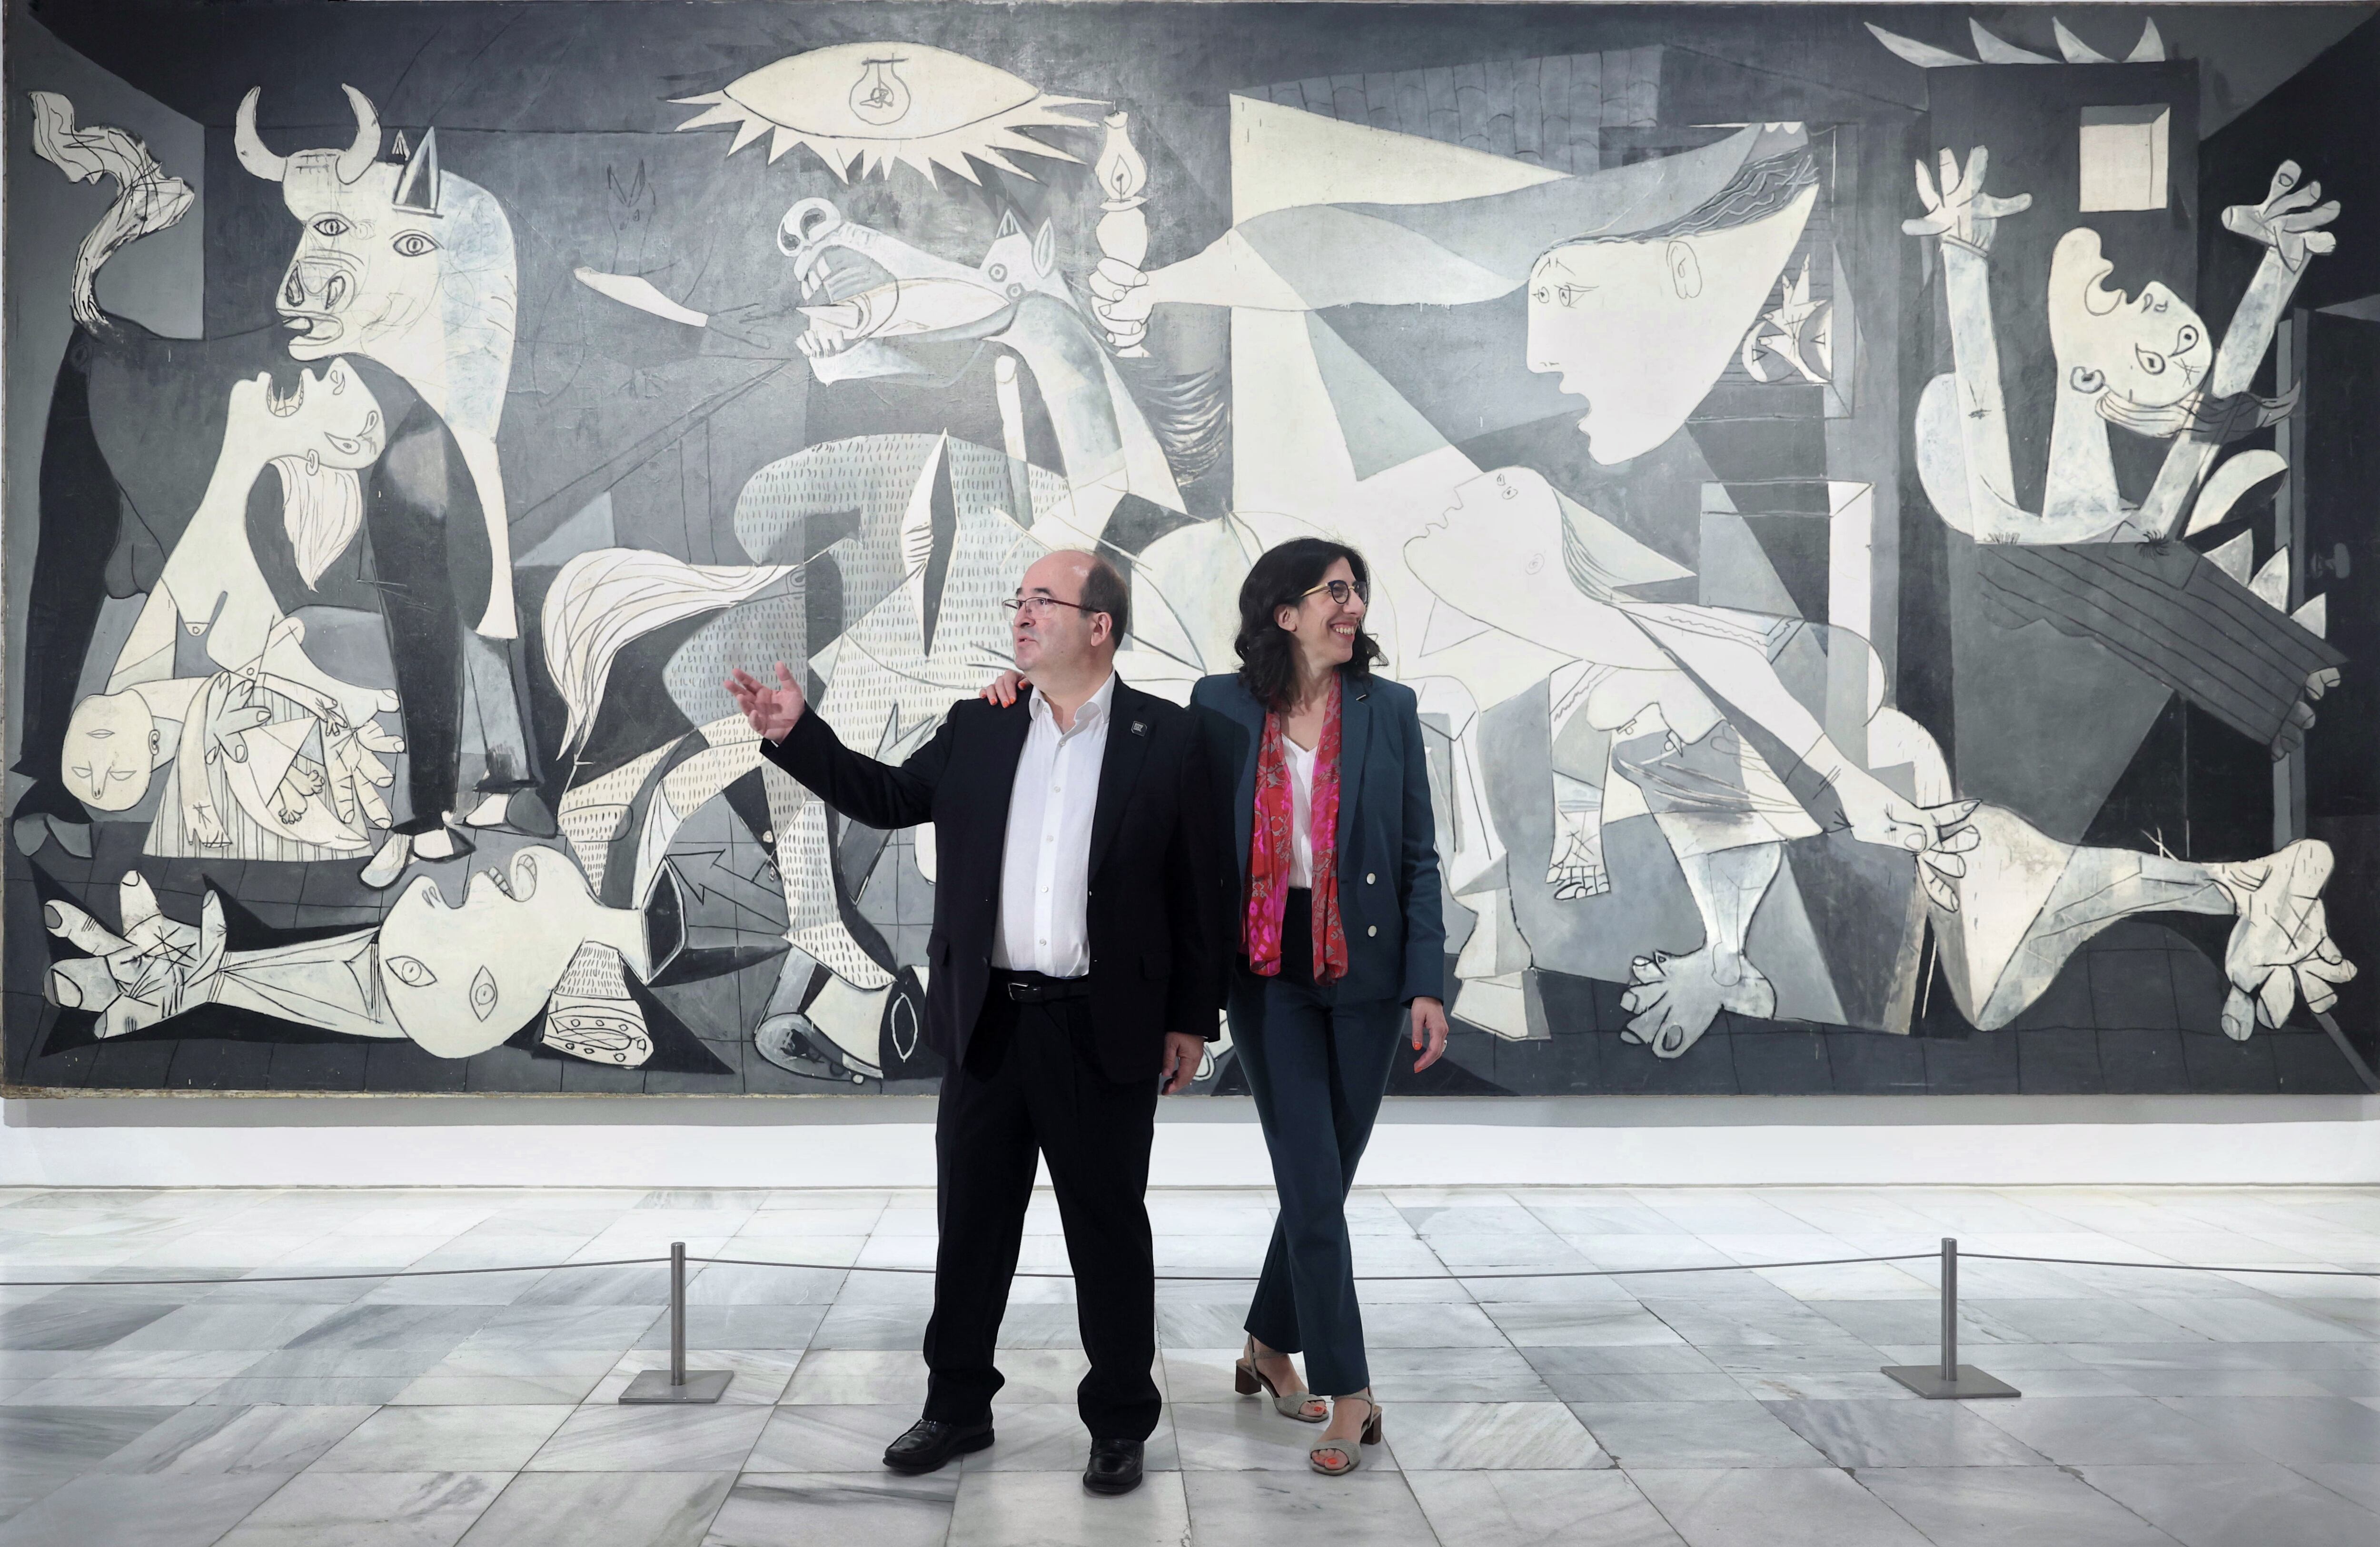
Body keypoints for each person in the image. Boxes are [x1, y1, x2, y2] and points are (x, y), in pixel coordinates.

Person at [725, 549, 1219, 1498]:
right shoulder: (980, 724)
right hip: (989, 1021)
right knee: (972, 1228)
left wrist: (1193, 1017)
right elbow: (889, 798)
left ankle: (1120, 1420)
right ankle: (956, 1405)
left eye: (1043, 600)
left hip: (1103, 1026)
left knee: (1109, 1233)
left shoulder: (1170, 737)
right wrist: (798, 734)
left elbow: (1199, 888)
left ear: (1100, 625)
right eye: (1017, 600)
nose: (1021, 614)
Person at [984, 537, 1449, 1475]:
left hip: (1365, 973)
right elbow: (1147, 779)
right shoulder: (1219, 705)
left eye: (1357, 591)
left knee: (1323, 1186)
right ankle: (1351, 1394)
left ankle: (1267, 1344)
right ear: (1284, 611)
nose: (1354, 606)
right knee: (1312, 1184)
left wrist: (1427, 979)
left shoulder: (1390, 708)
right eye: (1335, 591)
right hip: (1267, 971)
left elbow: (1416, 855)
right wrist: (1024, 693)